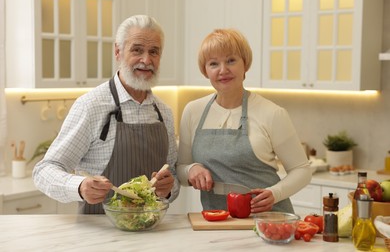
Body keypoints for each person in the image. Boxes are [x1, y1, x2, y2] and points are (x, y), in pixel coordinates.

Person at [33, 15, 179, 214]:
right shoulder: (91, 106)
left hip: (151, 233)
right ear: (118, 52)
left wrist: (169, 189)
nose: (146, 60)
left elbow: (173, 177)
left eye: (154, 52)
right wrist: (79, 186)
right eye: (137, 50)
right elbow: (44, 170)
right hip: (100, 236)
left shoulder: (164, 113)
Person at [176, 28, 311, 213]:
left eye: (231, 60)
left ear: (245, 64)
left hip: (268, 222)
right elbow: (181, 172)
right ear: (205, 71)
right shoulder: (193, 111)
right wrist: (191, 169)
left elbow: (302, 170)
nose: (223, 70)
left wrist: (275, 193)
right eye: (214, 63)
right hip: (217, 222)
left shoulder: (272, 113)